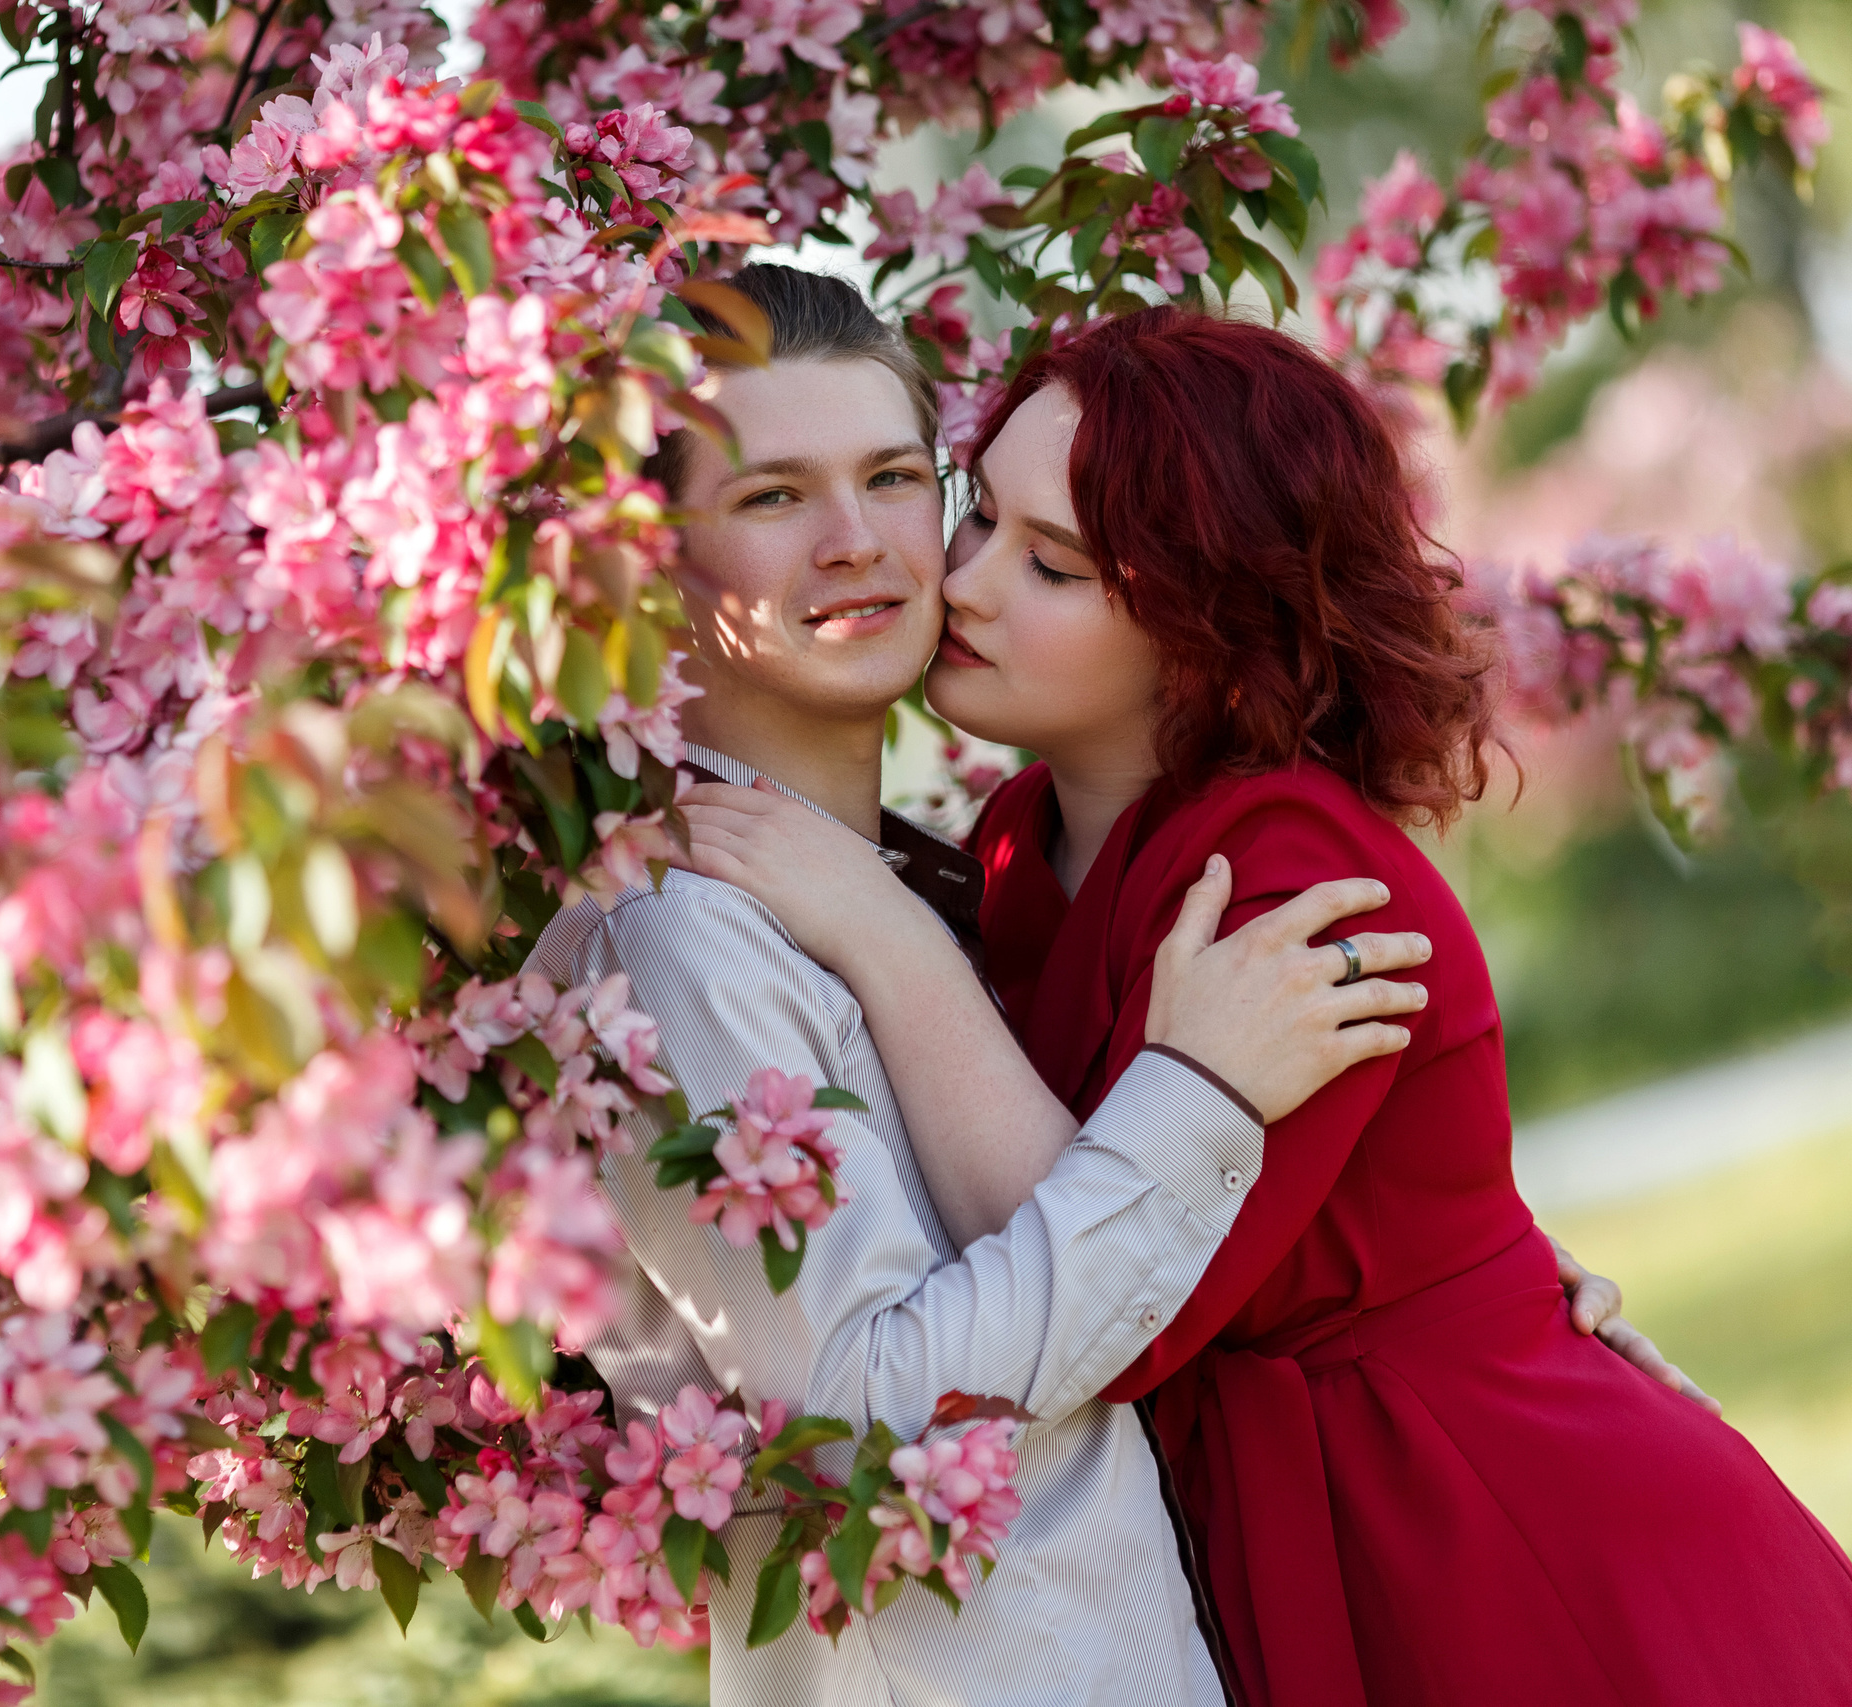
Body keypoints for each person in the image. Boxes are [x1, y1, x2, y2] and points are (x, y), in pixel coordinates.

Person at [676, 302, 1852, 1707]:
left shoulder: (1293, 874)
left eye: (1051, 565)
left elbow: (1129, 1296)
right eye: (978, 519)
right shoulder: (1012, 842)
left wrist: (886, 937)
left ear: (1203, 618)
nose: (968, 585)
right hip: (1284, 1518)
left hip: (1487, 1525)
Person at [539, 262, 1453, 1706]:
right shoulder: (678, 940)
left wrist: (1464, 1289)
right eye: (773, 497)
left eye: (897, 477)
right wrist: (1195, 1100)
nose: (863, 544)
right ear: (644, 564)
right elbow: (862, 1423)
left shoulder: (906, 892)